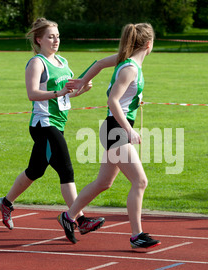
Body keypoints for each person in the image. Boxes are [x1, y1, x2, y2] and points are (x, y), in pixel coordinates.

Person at [0, 18, 105, 238]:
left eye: (57, 36)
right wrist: (59, 93)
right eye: (50, 37)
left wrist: (80, 90)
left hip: (58, 122)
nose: (55, 40)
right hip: (44, 124)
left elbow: (66, 94)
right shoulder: (37, 63)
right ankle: (79, 220)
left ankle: (6, 202)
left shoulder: (63, 61)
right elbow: (32, 94)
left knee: (35, 170)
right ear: (39, 39)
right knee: (66, 170)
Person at [57, 23, 161, 249]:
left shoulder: (127, 61)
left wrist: (83, 80)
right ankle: (137, 235)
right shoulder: (130, 68)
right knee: (140, 181)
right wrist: (129, 130)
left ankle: (69, 216)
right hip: (116, 129)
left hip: (114, 128)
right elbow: (113, 101)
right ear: (149, 45)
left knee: (104, 182)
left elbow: (100, 63)